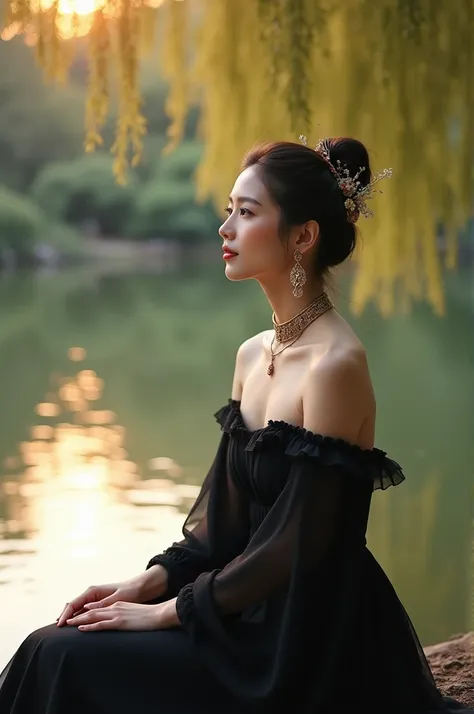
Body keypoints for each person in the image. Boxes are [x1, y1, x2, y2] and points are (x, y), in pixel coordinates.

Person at [0, 137, 471, 714]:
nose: (225, 228)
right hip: (237, 607)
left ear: (303, 236)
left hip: (303, 635)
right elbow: (221, 525)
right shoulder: (253, 354)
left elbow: (298, 544)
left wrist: (168, 613)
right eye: (229, 208)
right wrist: (143, 585)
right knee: (51, 644)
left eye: (246, 213)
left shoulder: (335, 366)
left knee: (65, 657)